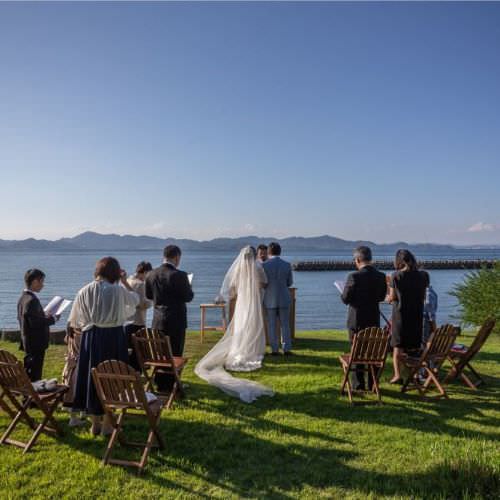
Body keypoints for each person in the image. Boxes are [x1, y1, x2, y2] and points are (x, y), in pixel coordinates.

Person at [69, 257, 139, 435]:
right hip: (113, 337)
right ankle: (108, 423)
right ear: (115, 272)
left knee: (91, 377)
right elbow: (135, 301)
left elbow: (75, 319)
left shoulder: (84, 290)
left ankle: (95, 423)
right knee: (113, 378)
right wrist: (125, 282)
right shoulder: (117, 290)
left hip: (90, 337)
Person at [195, 246, 274, 403]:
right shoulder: (257, 266)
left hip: (242, 301)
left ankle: (239, 348)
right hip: (254, 300)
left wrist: (239, 291)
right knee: (253, 324)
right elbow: (264, 283)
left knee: (241, 324)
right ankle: (251, 350)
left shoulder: (238, 269)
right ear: (253, 255)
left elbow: (232, 288)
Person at [145, 245, 194, 390]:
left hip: (158, 319)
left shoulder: (151, 274)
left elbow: (148, 295)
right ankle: (172, 384)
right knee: (175, 352)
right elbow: (188, 297)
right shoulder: (179, 275)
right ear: (177, 257)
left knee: (160, 352)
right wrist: (189, 287)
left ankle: (160, 382)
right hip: (176, 320)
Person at [341, 246, 387, 390]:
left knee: (357, 352)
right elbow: (381, 297)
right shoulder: (381, 276)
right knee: (372, 352)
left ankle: (358, 384)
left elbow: (345, 299)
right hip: (373, 319)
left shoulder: (353, 276)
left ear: (358, 260)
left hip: (357, 319)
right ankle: (373, 384)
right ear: (370, 259)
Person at [388, 249, 429, 384]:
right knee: (414, 347)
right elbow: (423, 296)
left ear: (399, 261)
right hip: (416, 315)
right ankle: (416, 375)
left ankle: (398, 375)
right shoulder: (424, 276)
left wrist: (389, 297)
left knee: (397, 347)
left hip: (400, 316)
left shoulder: (396, 276)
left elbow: (393, 297)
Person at [17, 269, 59, 382]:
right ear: (35, 281)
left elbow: (28, 319)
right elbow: (35, 323)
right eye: (42, 281)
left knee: (29, 372)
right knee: (35, 375)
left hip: (28, 342)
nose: (43, 285)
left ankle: (28, 397)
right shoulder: (32, 300)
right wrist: (53, 318)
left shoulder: (23, 298)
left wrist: (42, 315)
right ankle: (33, 398)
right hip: (36, 344)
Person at [263, 242, 294, 355]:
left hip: (270, 298)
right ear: (280, 251)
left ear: (268, 252)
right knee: (285, 324)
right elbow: (290, 283)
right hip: (284, 297)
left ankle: (274, 349)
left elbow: (264, 283)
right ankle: (286, 349)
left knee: (271, 325)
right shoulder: (287, 265)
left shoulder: (264, 265)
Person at [125, 261, 153, 369]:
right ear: (145, 272)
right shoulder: (141, 285)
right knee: (138, 351)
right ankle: (137, 371)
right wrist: (151, 301)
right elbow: (142, 304)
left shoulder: (127, 280)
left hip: (126, 320)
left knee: (129, 349)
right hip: (138, 320)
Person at [61, 323, 86, 427]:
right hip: (77, 366)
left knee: (71, 392)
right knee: (75, 392)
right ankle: (74, 419)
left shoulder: (70, 334)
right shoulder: (80, 336)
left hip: (69, 366)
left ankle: (80, 413)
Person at [423, 279, 438, 345]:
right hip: (427, 324)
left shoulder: (428, 294)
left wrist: (435, 331)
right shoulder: (431, 292)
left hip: (426, 325)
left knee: (425, 343)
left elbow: (431, 315)